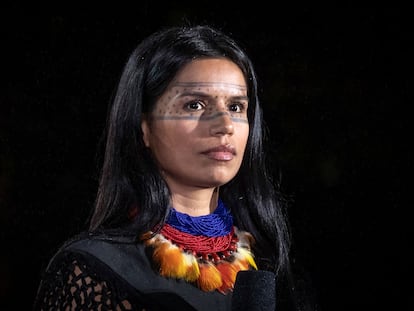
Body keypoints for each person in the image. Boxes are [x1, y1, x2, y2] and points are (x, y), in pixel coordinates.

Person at [33, 24, 311, 311]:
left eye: (236, 107)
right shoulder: (97, 268)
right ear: (145, 128)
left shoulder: (274, 265)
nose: (225, 125)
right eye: (195, 105)